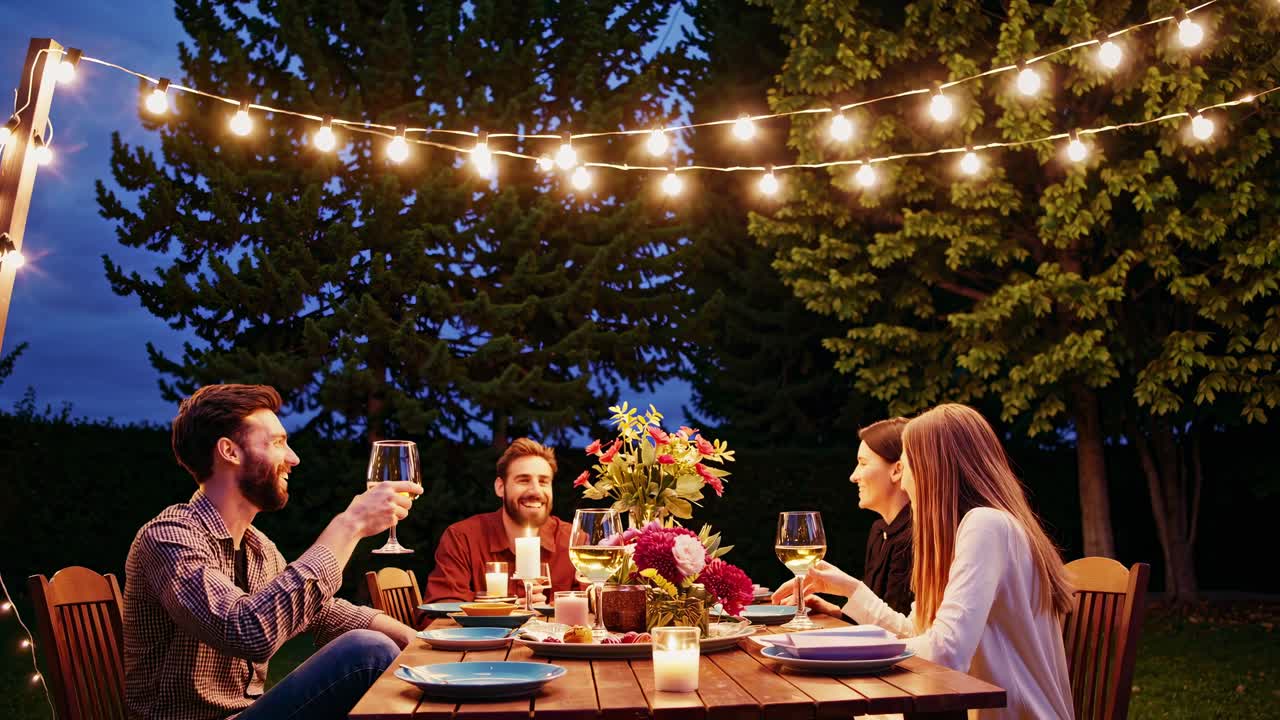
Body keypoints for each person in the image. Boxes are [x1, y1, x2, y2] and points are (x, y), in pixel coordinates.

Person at [124, 384, 420, 720]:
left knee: (382, 647)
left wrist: (420, 641)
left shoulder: (259, 548)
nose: (294, 458)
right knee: (367, 651)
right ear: (229, 451)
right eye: (278, 443)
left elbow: (320, 612)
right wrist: (349, 525)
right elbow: (248, 631)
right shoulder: (168, 539)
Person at [774, 404, 1074, 719]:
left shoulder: (986, 525)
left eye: (907, 464)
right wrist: (852, 590)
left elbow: (946, 653)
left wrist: (840, 651)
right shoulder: (971, 530)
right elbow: (917, 632)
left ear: (933, 467)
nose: (903, 482)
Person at [423, 438, 581, 603]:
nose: (536, 491)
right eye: (523, 480)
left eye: (543, 482)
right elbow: (441, 607)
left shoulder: (574, 541)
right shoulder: (462, 538)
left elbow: (593, 604)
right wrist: (502, 609)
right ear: (500, 487)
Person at [807, 417, 914, 619]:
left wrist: (848, 588)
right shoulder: (880, 530)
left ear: (897, 470)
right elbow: (882, 620)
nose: (854, 476)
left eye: (863, 464)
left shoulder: (916, 537)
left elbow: (904, 633)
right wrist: (834, 612)